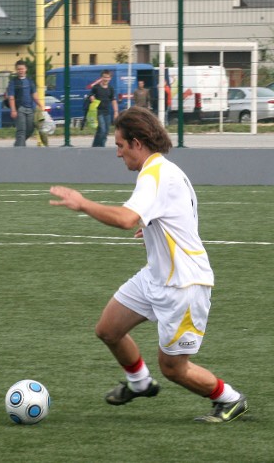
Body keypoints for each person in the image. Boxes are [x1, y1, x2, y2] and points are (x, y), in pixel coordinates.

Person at [49, 106, 248, 423]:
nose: (117, 153)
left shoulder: (155, 174)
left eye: (119, 145)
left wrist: (83, 203)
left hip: (183, 285)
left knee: (174, 369)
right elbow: (177, 214)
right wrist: (154, 225)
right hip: (156, 276)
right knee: (108, 330)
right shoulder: (163, 170)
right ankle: (140, 382)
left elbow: (127, 219)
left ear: (137, 142)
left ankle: (231, 399)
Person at [7, 60, 44, 147]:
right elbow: (11, 97)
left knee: (30, 129)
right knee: (21, 130)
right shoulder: (13, 82)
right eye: (18, 69)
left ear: (25, 69)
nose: (20, 71)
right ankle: (20, 149)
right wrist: (13, 110)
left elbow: (34, 94)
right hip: (20, 109)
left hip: (30, 108)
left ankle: (17, 144)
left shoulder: (30, 81)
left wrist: (40, 105)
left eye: (22, 69)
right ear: (16, 70)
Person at [89, 69, 118, 147]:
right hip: (98, 112)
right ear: (101, 77)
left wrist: (116, 112)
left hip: (107, 112)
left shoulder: (110, 89)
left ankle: (97, 145)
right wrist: (92, 98)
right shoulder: (96, 87)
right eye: (104, 77)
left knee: (106, 131)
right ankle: (100, 146)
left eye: (107, 77)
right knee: (102, 129)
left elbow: (113, 100)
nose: (106, 79)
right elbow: (91, 95)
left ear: (110, 78)